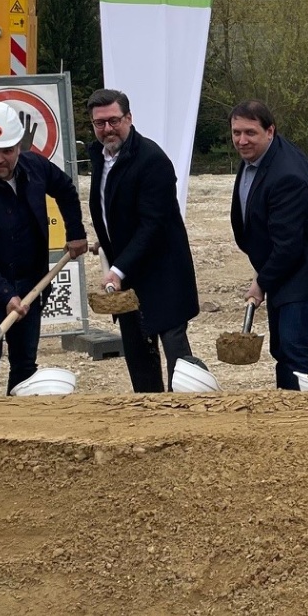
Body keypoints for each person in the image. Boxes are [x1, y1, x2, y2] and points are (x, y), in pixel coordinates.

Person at [0, 101, 88, 397]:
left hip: (29, 284)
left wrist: (75, 233)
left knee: (25, 363)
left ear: (18, 146)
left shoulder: (35, 167)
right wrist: (6, 295)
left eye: (7, 151)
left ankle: (20, 420)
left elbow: (65, 189)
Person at [85, 88, 200, 392]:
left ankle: (186, 411)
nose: (108, 129)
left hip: (163, 272)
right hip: (128, 275)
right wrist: (108, 244)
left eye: (114, 120)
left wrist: (117, 269)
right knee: (139, 355)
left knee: (177, 355)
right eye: (100, 123)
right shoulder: (100, 157)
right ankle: (147, 411)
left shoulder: (152, 160)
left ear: (129, 118)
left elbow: (153, 224)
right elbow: (113, 209)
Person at [229, 100, 308, 390]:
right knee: (282, 346)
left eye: (250, 132)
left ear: (270, 131)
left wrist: (261, 282)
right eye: (236, 133)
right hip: (286, 265)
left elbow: (288, 246)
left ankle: (306, 409)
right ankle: (287, 403)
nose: (242, 140)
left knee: (294, 344)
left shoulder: (287, 175)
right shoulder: (257, 158)